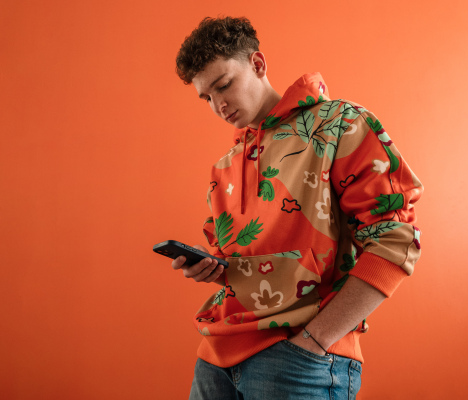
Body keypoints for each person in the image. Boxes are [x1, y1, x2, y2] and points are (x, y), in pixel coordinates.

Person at [172, 16, 422, 399]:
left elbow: (396, 241)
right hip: (215, 357)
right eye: (207, 97)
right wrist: (214, 269)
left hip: (296, 357)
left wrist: (316, 340)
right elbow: (254, 264)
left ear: (257, 65)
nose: (219, 105)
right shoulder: (227, 164)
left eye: (224, 85)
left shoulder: (340, 124)